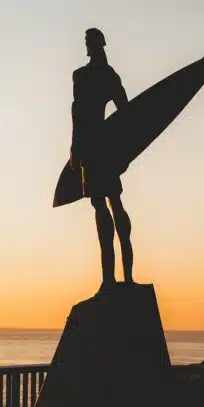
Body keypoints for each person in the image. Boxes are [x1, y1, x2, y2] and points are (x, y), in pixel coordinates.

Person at [69, 28, 134, 293]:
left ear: (99, 45)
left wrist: (124, 151)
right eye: (86, 42)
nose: (87, 46)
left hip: (94, 147)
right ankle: (113, 279)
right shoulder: (89, 75)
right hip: (94, 148)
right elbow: (78, 114)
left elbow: (124, 112)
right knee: (105, 204)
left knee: (110, 205)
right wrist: (75, 149)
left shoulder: (97, 76)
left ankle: (120, 279)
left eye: (90, 42)